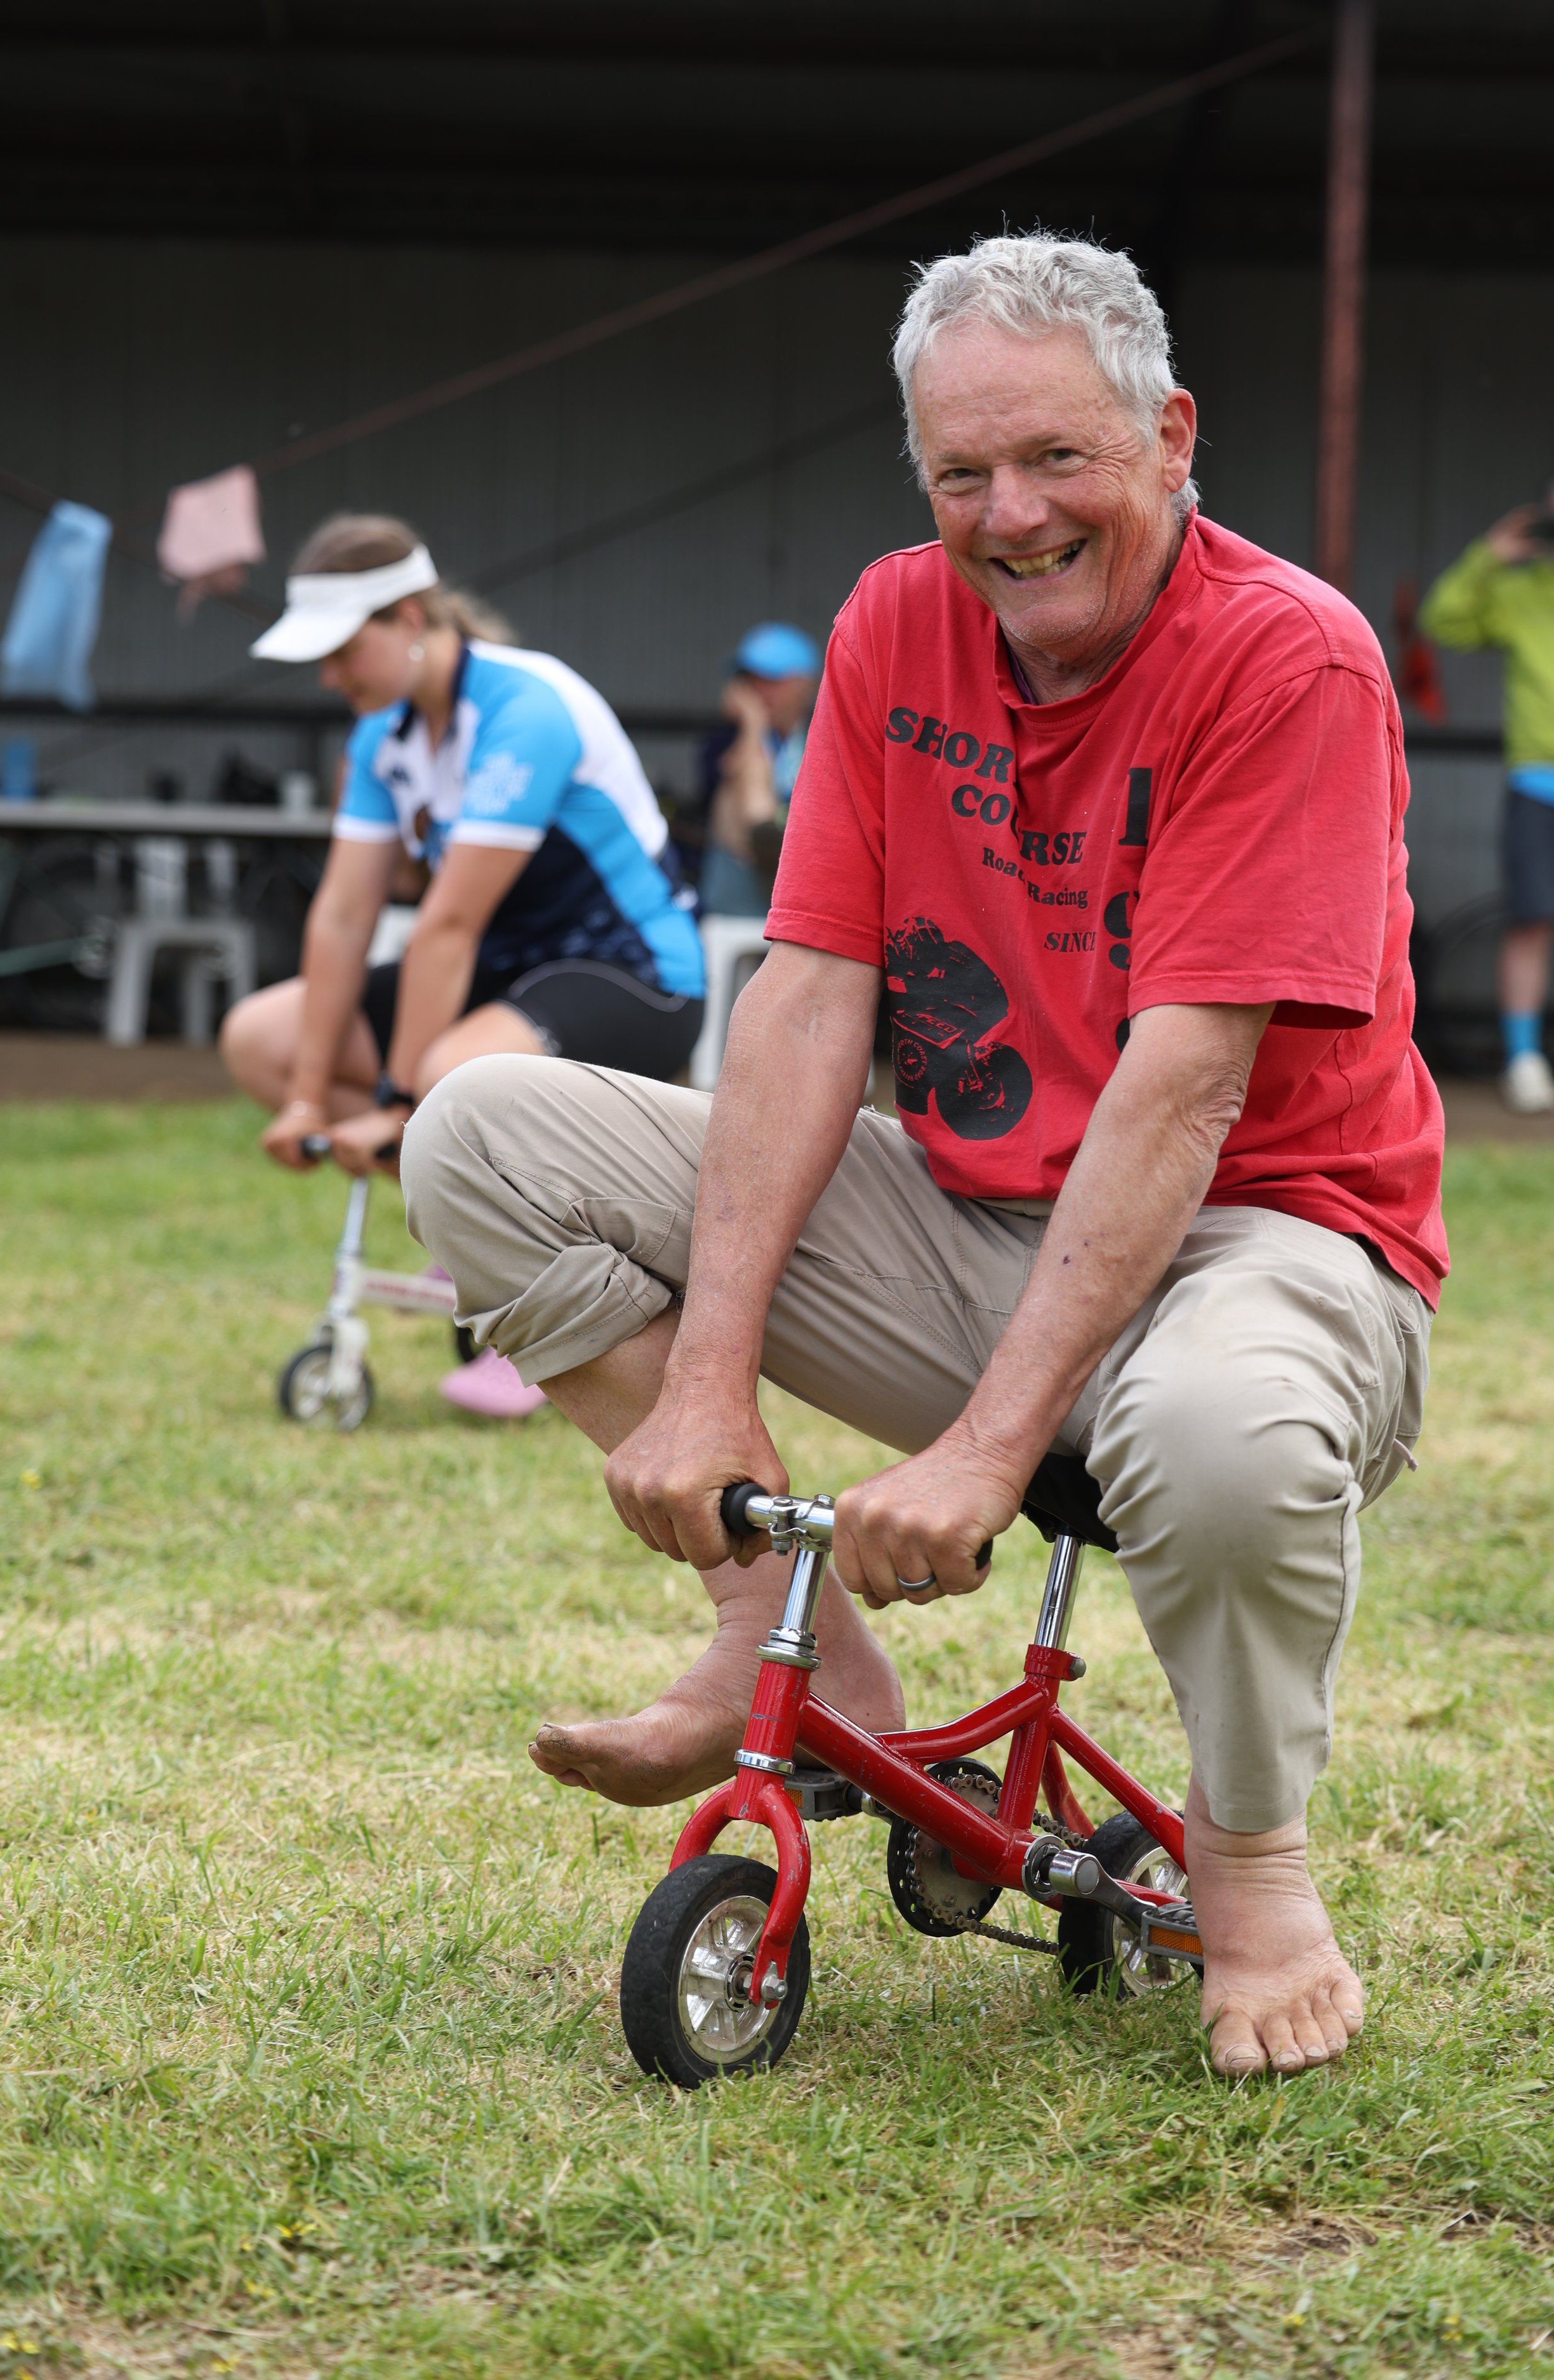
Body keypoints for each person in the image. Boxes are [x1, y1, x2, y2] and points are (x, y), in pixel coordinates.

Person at [400, 236, 1445, 2079]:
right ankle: (790, 1654)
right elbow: (810, 997)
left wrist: (980, 1447)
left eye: (1056, 458)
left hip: (1259, 1238)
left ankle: (1251, 1858)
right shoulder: (893, 621)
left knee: (1219, 1435)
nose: (1009, 514)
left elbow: (1183, 1089)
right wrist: (707, 1378)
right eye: (962, 471)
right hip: (979, 1214)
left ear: (1171, 434)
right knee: (482, 1131)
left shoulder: (1289, 655)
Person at [219, 513, 705, 1419]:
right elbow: (344, 915)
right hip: (507, 976)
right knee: (261, 1037)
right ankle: (496, 1236)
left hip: (636, 975)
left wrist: (401, 1103)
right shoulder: (382, 734)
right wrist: (307, 1097)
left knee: (454, 1078)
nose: (328, 676)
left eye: (342, 650)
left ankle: (550, 1285)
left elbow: (446, 925)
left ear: (409, 618)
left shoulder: (526, 708)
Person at [1420, 491, 1554, 1112]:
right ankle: (1523, 1059)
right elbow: (1442, 620)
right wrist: (1488, 557)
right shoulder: (1521, 589)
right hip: (1536, 781)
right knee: (1532, 920)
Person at [697, 622, 820, 916]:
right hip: (737, 902)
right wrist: (753, 728)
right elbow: (756, 818)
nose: (759, 692)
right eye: (750, 681)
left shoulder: (827, 735)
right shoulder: (725, 739)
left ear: (804, 684)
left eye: (772, 680)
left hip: (803, 897)